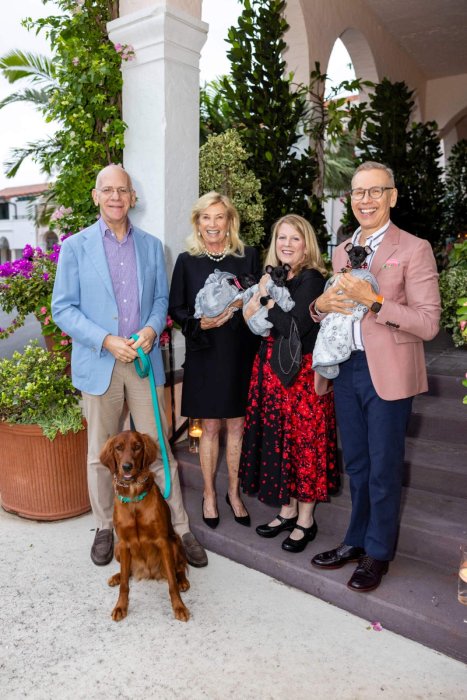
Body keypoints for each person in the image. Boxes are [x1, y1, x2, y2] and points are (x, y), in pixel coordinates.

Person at [51, 164, 208, 568]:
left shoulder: (152, 247)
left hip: (143, 363)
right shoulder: (75, 247)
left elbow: (160, 301)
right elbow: (62, 309)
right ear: (96, 196)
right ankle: (105, 527)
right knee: (100, 453)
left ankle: (181, 528)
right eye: (108, 190)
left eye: (123, 190)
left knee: (157, 450)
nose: (116, 197)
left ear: (132, 197)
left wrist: (152, 330)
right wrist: (106, 339)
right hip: (99, 361)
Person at [310, 161, 441, 591]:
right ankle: (355, 539)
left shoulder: (414, 247)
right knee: (359, 465)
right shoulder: (343, 249)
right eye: (358, 192)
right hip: (346, 369)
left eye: (374, 191)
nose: (365, 200)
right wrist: (318, 308)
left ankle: (378, 553)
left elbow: (427, 323)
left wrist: (376, 301)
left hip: (388, 373)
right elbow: (330, 308)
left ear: (392, 196)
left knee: (384, 468)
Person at [239, 214, 339, 553]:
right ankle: (287, 509)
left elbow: (294, 326)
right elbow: (252, 320)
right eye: (282, 237)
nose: (286, 244)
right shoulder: (277, 276)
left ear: (306, 243)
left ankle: (306, 520)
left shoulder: (311, 278)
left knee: (303, 444)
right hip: (271, 370)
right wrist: (260, 303)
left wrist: (264, 300)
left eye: (294, 238)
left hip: (301, 375)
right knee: (279, 442)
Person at [168, 192, 260, 529]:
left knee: (236, 424)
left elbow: (258, 299)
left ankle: (233, 494)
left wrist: (243, 306)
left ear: (229, 221)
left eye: (219, 217)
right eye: (206, 217)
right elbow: (176, 308)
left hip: (239, 353)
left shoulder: (247, 257)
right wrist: (198, 323)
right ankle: (209, 493)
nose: (212, 224)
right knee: (208, 426)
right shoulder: (186, 261)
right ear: (197, 222)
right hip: (205, 352)